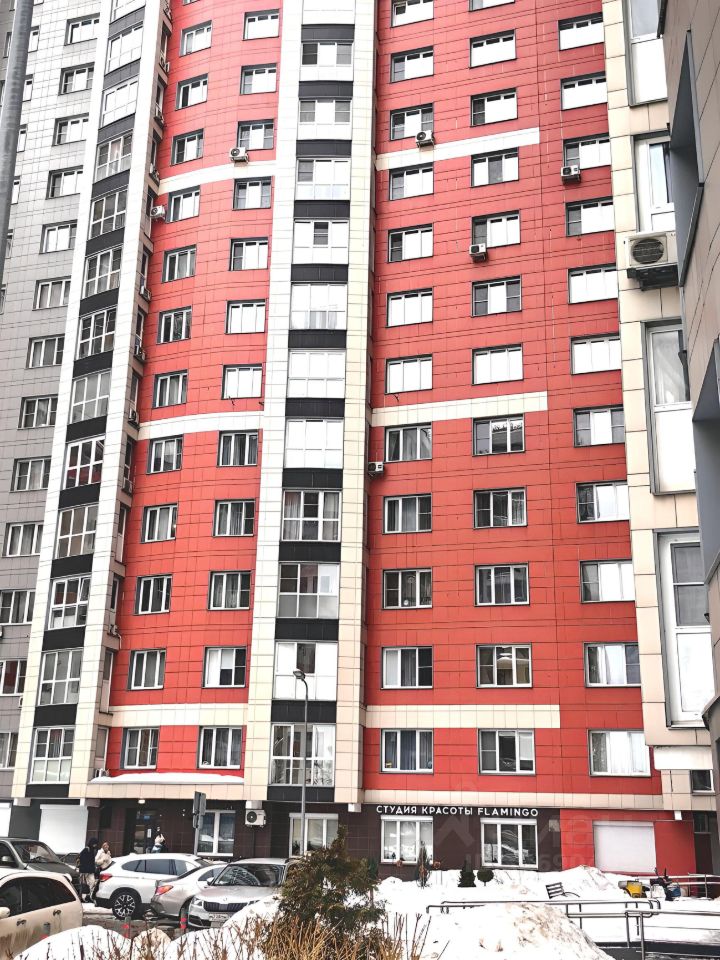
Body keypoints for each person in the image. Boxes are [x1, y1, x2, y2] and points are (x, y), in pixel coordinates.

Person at [78, 838, 98, 903]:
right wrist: (85, 869)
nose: (95, 845)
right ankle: (82, 897)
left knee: (92, 882)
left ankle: (88, 896)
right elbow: (82, 860)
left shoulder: (92, 850)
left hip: (90, 871)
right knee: (84, 885)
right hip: (85, 871)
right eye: (94, 844)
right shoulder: (86, 850)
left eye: (96, 844)